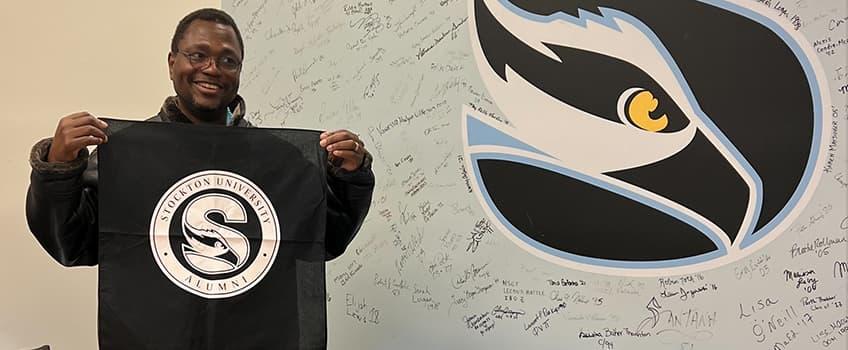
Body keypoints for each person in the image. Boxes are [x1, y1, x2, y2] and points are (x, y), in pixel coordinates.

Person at [25, 8, 374, 266]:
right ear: (172, 62)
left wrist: (349, 179)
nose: (212, 69)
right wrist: (57, 169)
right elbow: (71, 245)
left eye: (228, 60)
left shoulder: (279, 159)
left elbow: (322, 242)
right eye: (198, 55)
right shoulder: (127, 153)